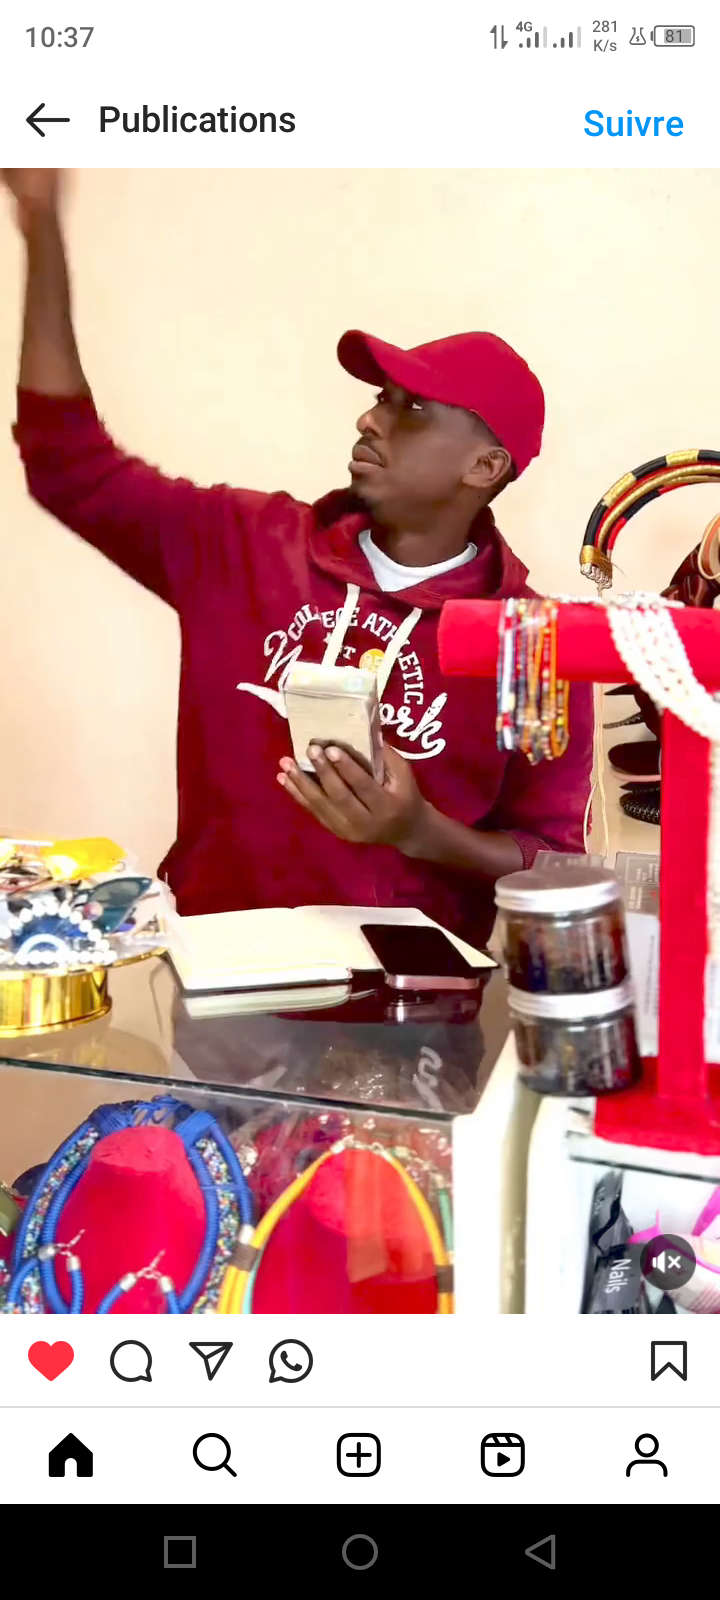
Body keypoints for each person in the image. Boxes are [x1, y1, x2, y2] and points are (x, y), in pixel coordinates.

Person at [4, 169, 593, 948]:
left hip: (415, 1002)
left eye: (412, 408)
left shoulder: (535, 644)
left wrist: (421, 832)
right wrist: (41, 229)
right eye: (380, 398)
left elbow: (554, 864)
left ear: (484, 467)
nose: (370, 419)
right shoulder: (244, 542)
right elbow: (68, 465)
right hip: (220, 978)